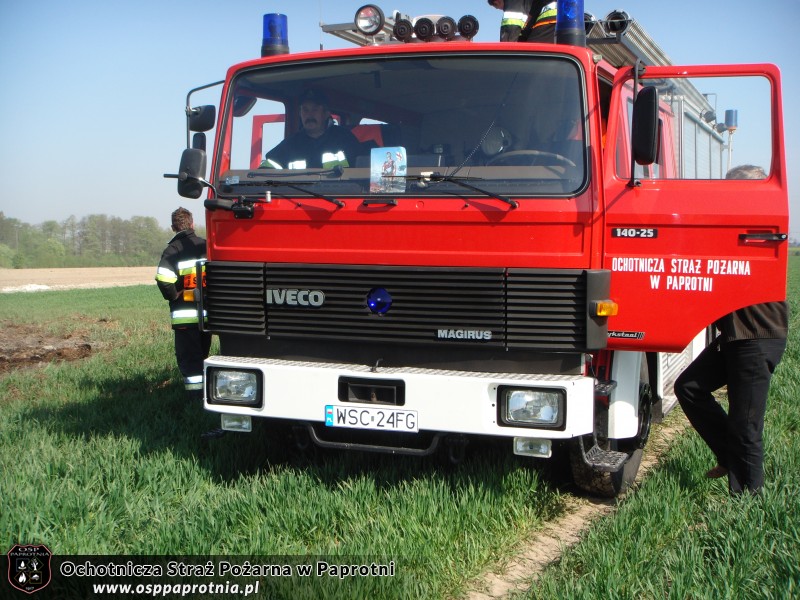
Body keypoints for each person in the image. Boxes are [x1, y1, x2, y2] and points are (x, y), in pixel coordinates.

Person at [674, 164, 789, 495]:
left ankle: (748, 500)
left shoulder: (759, 229)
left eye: (734, 190)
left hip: (757, 339)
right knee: (689, 386)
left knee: (746, 424)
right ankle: (729, 455)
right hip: (735, 339)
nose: (727, 197)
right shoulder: (734, 227)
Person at [155, 207, 212, 401]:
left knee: (190, 358)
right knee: (204, 355)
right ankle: (209, 393)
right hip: (207, 315)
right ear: (192, 224)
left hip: (185, 316)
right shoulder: (206, 246)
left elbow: (163, 278)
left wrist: (173, 294)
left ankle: (195, 399)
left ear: (173, 227)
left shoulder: (173, 250)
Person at [261, 89, 363, 170]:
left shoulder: (344, 138)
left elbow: (363, 171)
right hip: (299, 196)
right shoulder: (290, 144)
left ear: (326, 114)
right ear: (300, 114)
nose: (309, 115)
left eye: (315, 109)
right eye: (305, 110)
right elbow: (266, 170)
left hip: (337, 196)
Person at [487, 0, 557, 43]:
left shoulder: (513, 2)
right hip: (559, 17)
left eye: (498, 7)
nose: (502, 9)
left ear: (497, 1)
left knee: (531, 51)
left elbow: (511, 25)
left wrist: (504, 52)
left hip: (551, 17)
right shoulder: (528, 4)